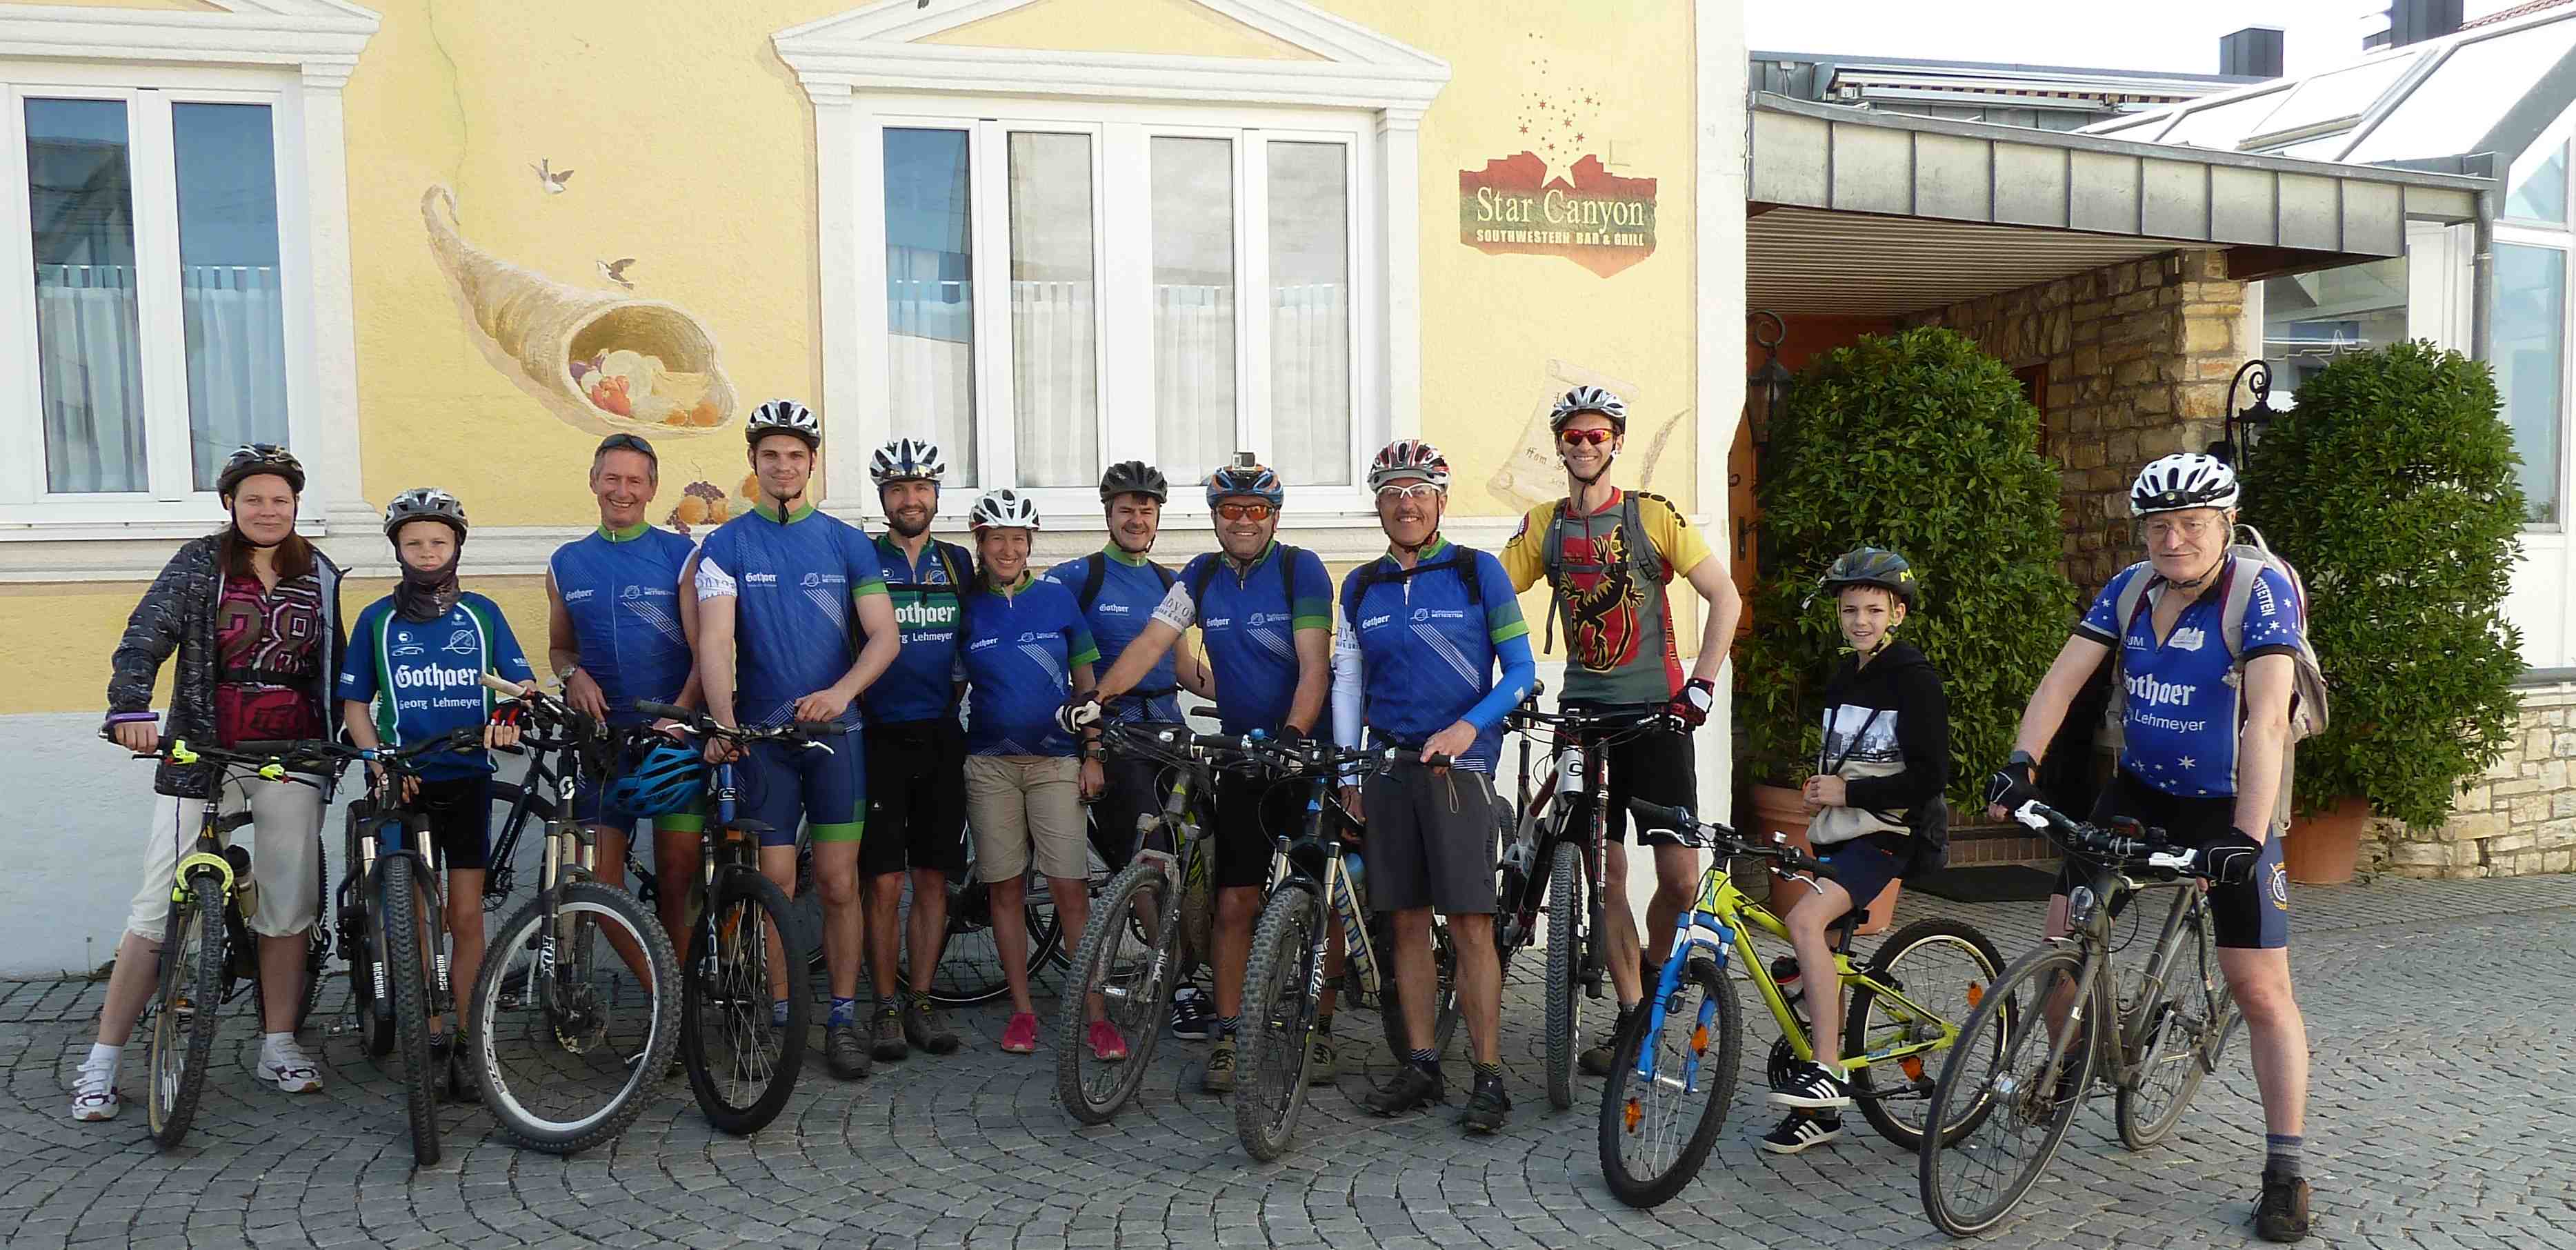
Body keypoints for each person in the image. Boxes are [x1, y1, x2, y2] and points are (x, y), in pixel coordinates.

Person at [1986, 453, 2312, 1242]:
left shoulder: (2258, 593)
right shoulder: (2131, 589)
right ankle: (2067, 1066)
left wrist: (2246, 835)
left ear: (2226, 525)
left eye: (2191, 525)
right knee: (2061, 941)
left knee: (2260, 988)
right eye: (2159, 527)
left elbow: (2268, 719)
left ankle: (2286, 1171)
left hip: (2230, 805)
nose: (2173, 540)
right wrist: (2022, 762)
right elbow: (2061, 682)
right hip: (2137, 792)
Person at [80, 446, 347, 1121]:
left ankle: (278, 1043)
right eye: (254, 499)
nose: (268, 511)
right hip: (201, 747)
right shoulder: (200, 562)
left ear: (296, 506)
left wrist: (347, 744)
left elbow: (336, 665)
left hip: (292, 752)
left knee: (288, 905)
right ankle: (102, 1061)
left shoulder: (319, 572)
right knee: (155, 908)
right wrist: (130, 708)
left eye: (280, 500)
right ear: (230, 504)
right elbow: (145, 636)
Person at [1062, 455, 1334, 1091]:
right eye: (1230, 510)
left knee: (1317, 899)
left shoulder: (1300, 568)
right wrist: (1098, 698)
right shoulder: (1199, 575)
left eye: (1256, 510)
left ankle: (1318, 1027)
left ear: (1274, 517)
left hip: (1301, 754)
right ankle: (1230, 1035)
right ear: (1214, 518)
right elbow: (1151, 644)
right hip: (1240, 755)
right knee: (1234, 901)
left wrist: (1295, 736)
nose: (1243, 521)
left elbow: (1314, 666)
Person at [1498, 385, 1742, 1074]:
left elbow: (1725, 596)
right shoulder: (1543, 525)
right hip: (1584, 719)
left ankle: (1658, 977)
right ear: (1559, 446)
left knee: (1680, 879)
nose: (1584, 447)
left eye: (1597, 436)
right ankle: (1635, 1017)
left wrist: (1702, 684)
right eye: (1573, 437)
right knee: (1604, 876)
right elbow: (1490, 595)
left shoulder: (1651, 516)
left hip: (1659, 716)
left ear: (1616, 444)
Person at [690, 399, 901, 1080]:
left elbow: (885, 636)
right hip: (764, 741)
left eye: (795, 456)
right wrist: (724, 722)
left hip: (837, 737)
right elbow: (716, 640)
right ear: (753, 463)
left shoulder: (845, 542)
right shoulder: (726, 545)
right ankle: (782, 1015)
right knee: (776, 885)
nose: (783, 466)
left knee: (839, 884)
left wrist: (841, 691)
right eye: (771, 456)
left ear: (813, 464)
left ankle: (841, 1016)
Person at [1331, 439, 1536, 1132]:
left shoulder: (1478, 572)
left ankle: (1488, 1075)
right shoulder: (1361, 586)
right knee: (1406, 921)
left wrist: (1466, 728)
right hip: (1389, 769)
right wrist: (1350, 771)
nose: (1405, 503)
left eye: (1418, 490)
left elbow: (1520, 672)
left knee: (1471, 923)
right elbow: (1350, 682)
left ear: (1441, 501)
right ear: (1378, 505)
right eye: (1391, 492)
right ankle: (1421, 1064)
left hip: (1460, 771)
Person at [337, 488, 534, 1094]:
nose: (427, 552)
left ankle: (470, 1036)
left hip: (467, 778)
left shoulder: (481, 613)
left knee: (464, 914)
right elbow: (355, 704)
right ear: (398, 549)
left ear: (457, 547)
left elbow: (519, 687)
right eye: (414, 542)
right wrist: (378, 763)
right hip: (404, 781)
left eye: (438, 542)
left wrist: (510, 717)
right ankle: (429, 1031)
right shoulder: (378, 619)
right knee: (417, 917)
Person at [1763, 548, 1947, 1155]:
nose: (1860, 621)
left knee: (1803, 920)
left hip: (1888, 835)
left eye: (1873, 609)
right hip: (1840, 830)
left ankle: (1826, 1071)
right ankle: (1824, 1113)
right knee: (1809, 947)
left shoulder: (1915, 681)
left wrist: (1851, 792)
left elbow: (1929, 778)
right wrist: (1824, 789)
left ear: (1897, 613)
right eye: (1849, 610)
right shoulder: (1847, 675)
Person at [1039, 460, 1217, 1042]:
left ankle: (1200, 961)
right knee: (1149, 855)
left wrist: (1261, 697)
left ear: (1158, 517)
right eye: (1126, 510)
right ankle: (1175, 985)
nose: (1137, 519)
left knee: (1198, 854)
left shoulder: (1171, 583)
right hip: (1114, 734)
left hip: (1169, 730)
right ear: (1108, 515)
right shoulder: (1079, 578)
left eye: (1146, 510)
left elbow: (1185, 669)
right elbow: (1052, 657)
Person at [545, 433, 704, 969]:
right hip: (602, 744)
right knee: (602, 886)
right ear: (593, 482)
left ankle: (682, 1001)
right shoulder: (566, 563)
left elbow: (707, 651)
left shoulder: (681, 556)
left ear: (652, 489)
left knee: (679, 880)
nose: (623, 490)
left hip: (673, 741)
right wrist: (572, 674)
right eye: (612, 478)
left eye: (635, 480)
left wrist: (679, 718)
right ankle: (664, 996)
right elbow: (560, 648)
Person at [954, 490, 1105, 1056]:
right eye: (997, 539)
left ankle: (1095, 1014)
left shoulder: (1057, 599)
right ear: (980, 544)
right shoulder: (968, 608)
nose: (1008, 549)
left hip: (1055, 761)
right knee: (1005, 889)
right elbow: (952, 688)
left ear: (1029, 544)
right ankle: (1021, 1011)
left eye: (1018, 539)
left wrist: (1093, 753)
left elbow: (1086, 685)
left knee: (1070, 888)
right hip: (989, 764)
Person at [857, 437, 970, 1062]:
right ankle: (883, 1005)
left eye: (921, 488)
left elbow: (978, 640)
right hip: (876, 737)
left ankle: (920, 1000)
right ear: (883, 498)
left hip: (941, 734)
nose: (910, 499)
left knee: (932, 877)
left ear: (935, 496)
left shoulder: (957, 563)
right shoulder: (862, 558)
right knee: (883, 881)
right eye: (898, 489)